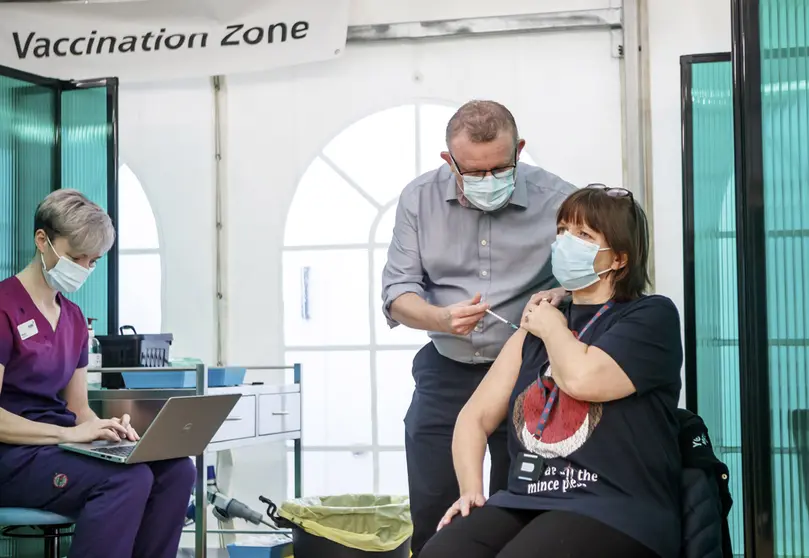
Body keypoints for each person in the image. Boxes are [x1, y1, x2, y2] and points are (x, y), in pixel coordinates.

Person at [419, 185, 683, 558]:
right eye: (562, 232)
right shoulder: (539, 324)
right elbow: (473, 418)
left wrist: (551, 326)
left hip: (615, 506)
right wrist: (471, 492)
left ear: (620, 258)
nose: (565, 243)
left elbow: (581, 379)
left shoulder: (651, 316)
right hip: (524, 498)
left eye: (584, 235)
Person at [380, 100, 576, 555]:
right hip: (446, 368)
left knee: (525, 507)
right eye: (473, 172)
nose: (488, 182)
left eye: (499, 169)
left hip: (530, 374)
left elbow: (592, 273)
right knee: (436, 510)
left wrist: (561, 295)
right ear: (449, 161)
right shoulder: (418, 199)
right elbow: (397, 292)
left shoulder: (562, 199)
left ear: (519, 150)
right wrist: (440, 318)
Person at [0, 190, 195, 558]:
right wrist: (70, 433)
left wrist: (107, 430)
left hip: (58, 446)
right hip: (12, 456)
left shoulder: (73, 318)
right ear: (42, 240)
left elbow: (78, 408)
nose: (85, 269)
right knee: (126, 479)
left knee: (177, 471)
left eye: (93, 261)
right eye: (76, 257)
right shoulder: (3, 307)